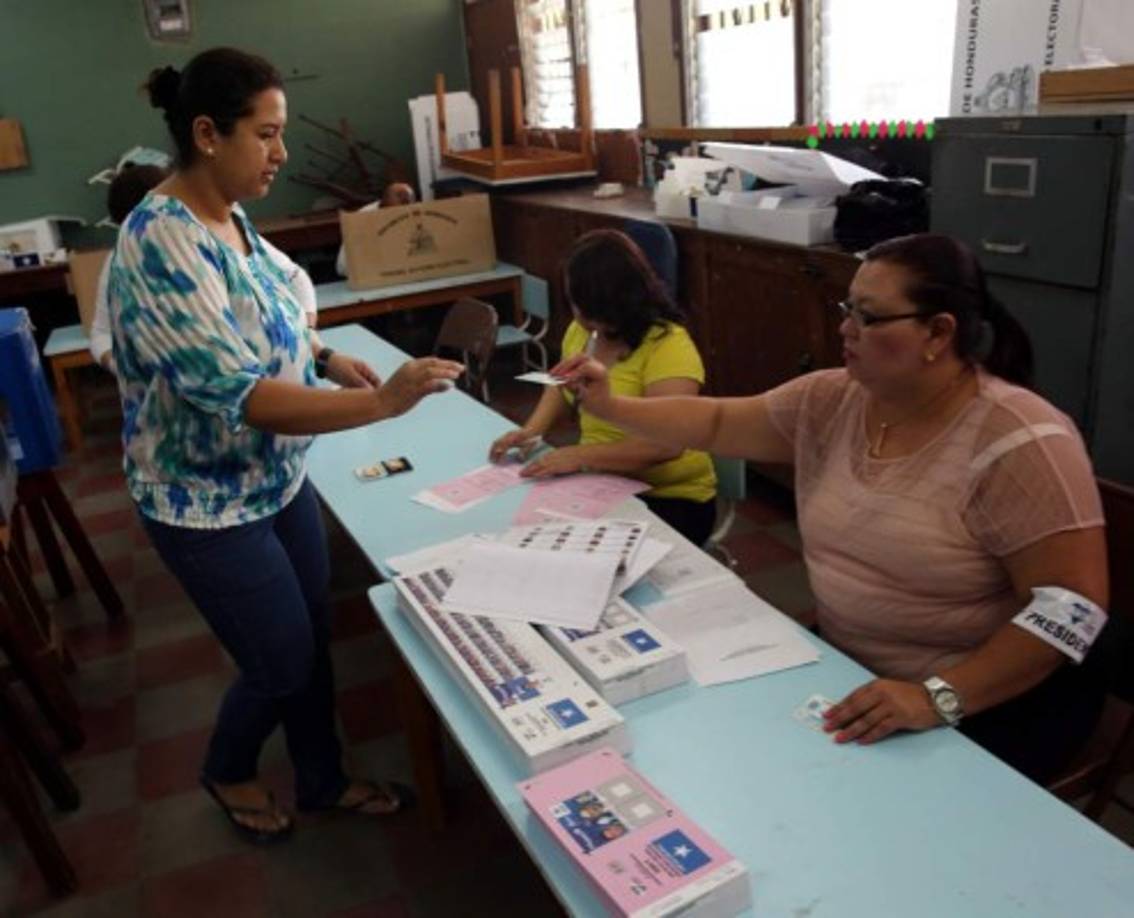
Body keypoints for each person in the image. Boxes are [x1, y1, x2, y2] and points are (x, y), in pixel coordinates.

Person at [554, 233, 1108, 784]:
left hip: (984, 700)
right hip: (854, 668)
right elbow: (718, 421)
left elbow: (1071, 610)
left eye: (868, 317)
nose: (845, 329)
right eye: (848, 308)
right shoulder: (834, 398)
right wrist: (609, 404)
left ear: (938, 332)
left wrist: (938, 697)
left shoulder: (1021, 440)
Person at [108, 47, 462, 842]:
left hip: (273, 484)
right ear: (207, 133)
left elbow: (276, 315)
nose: (282, 153)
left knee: (310, 639)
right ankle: (227, 770)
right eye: (266, 134)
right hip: (203, 503)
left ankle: (322, 780)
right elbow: (246, 397)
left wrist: (328, 357)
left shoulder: (229, 216)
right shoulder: (160, 243)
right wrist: (379, 403)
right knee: (278, 663)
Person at [489, 229, 718, 546]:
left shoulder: (668, 345)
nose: (577, 315)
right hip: (603, 483)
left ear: (617, 301)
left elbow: (665, 445)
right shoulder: (582, 332)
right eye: (574, 303)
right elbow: (559, 387)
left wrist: (582, 456)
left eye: (584, 306)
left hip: (672, 498)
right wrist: (531, 432)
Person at [334, 181, 416, 277]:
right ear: (383, 205)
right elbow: (343, 267)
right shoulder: (362, 219)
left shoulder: (410, 214)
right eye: (397, 211)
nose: (401, 217)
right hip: (366, 277)